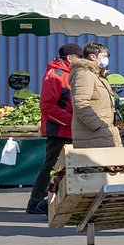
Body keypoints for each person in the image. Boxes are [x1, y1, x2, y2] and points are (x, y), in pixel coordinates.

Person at [26, 43, 82, 215]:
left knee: (62, 167)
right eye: (79, 58)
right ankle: (35, 202)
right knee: (51, 166)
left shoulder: (69, 74)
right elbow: (47, 106)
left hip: (69, 129)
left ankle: (52, 201)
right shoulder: (55, 74)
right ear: (71, 57)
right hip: (58, 130)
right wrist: (71, 121)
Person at [69, 42, 121, 148]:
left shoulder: (98, 76)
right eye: (104, 56)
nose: (106, 59)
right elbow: (81, 104)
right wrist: (98, 126)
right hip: (94, 136)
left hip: (102, 135)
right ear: (93, 56)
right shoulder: (84, 74)